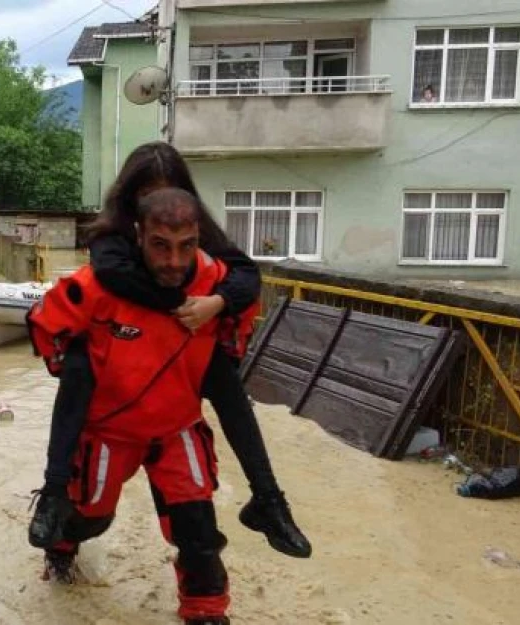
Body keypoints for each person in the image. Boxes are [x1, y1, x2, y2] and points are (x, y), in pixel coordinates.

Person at [28, 142, 310, 563]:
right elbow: (83, 295)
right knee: (80, 372)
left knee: (197, 527)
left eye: (172, 193)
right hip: (117, 371)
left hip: (182, 366)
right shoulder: (108, 253)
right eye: (150, 198)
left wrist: (215, 303)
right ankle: (56, 500)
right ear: (136, 220)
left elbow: (248, 275)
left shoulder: (203, 250)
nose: (164, 205)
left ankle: (267, 499)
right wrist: (176, 305)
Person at [27, 188, 240, 624]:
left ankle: (205, 612)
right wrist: (77, 367)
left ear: (200, 238)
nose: (175, 262)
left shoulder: (216, 285)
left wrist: (222, 315)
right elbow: (45, 327)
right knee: (90, 520)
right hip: (108, 432)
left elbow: (244, 301)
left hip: (177, 428)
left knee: (199, 533)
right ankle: (61, 547)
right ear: (139, 236)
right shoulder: (94, 288)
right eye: (161, 246)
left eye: (187, 247)